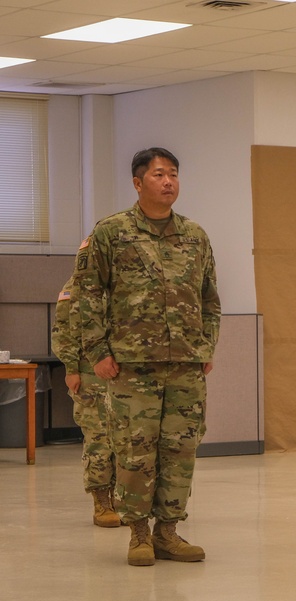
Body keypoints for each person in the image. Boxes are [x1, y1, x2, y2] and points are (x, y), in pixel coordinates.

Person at [75, 147, 221, 566]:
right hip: (131, 367)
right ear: (138, 183)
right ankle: (138, 533)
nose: (169, 181)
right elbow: (87, 295)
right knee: (136, 452)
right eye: (159, 174)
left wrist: (206, 345)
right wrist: (97, 352)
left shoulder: (195, 235)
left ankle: (168, 532)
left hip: (186, 366)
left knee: (181, 450)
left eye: (173, 173)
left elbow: (209, 297)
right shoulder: (111, 232)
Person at [50, 272, 119, 528]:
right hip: (90, 373)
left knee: (125, 440)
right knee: (98, 437)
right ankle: (102, 501)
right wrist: (71, 368)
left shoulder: (125, 279)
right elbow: (64, 329)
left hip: (123, 372)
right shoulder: (77, 284)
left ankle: (121, 498)